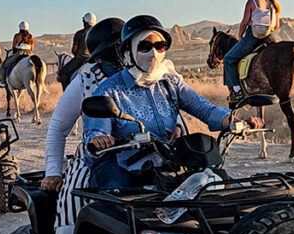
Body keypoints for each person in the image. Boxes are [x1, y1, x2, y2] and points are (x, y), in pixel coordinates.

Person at [84, 15, 264, 189]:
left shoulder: (170, 82)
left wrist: (233, 121)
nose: (153, 52)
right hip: (130, 169)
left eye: (159, 46)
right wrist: (100, 139)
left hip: (172, 164)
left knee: (220, 186)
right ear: (128, 51)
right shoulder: (110, 90)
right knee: (119, 200)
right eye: (145, 46)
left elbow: (204, 109)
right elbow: (96, 131)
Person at [40, 17, 124, 234]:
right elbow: (59, 126)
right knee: (71, 204)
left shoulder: (146, 72)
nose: (123, 51)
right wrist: (53, 171)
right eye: (118, 47)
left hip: (147, 152)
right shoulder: (88, 76)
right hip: (95, 155)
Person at [222, 0, 281, 105]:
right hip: (270, 37)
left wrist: (240, 35)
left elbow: (244, 23)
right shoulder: (275, 5)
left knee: (228, 59)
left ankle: (237, 90)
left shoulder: (252, 2)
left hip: (253, 36)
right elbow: (276, 26)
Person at [58, 12, 96, 85]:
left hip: (80, 59)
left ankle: (67, 94)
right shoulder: (97, 33)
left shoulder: (80, 33)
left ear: (85, 22)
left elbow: (74, 50)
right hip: (94, 60)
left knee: (63, 73)